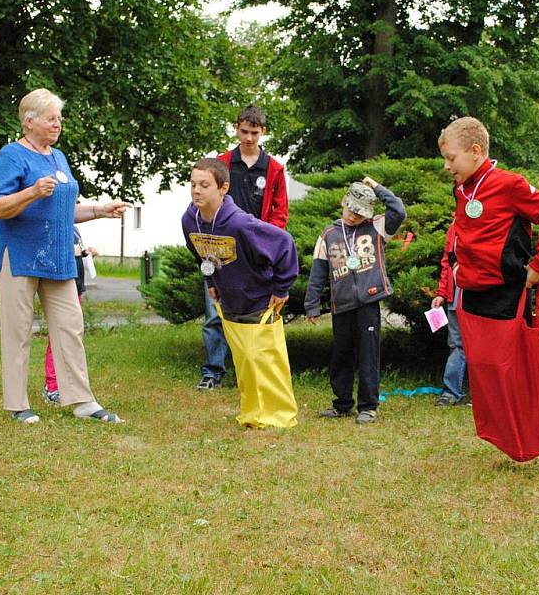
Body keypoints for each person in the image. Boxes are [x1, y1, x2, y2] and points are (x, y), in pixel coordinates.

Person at [0, 88, 129, 424]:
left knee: (70, 326)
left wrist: (99, 210)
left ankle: (82, 401)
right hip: (20, 255)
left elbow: (64, 208)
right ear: (30, 121)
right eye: (52, 118)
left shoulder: (58, 157)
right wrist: (32, 191)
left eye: (59, 118)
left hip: (58, 256)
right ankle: (17, 404)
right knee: (19, 330)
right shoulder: (11, 156)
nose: (58, 124)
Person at [438, 116, 539, 460]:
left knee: (513, 369)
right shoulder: (463, 190)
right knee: (485, 371)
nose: (447, 166)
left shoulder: (510, 185)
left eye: (451, 158)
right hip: (472, 294)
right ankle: (504, 438)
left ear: (476, 151)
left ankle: (530, 439)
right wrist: (458, 266)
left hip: (508, 293)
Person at [181, 158, 299, 428]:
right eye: (193, 184)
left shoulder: (240, 224)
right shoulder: (190, 220)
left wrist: (282, 288)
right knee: (245, 362)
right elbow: (200, 252)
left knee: (266, 360)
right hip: (229, 300)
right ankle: (254, 412)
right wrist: (211, 282)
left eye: (204, 185)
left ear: (223, 188)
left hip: (258, 298)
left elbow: (284, 243)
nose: (196, 190)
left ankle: (278, 416)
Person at [193, 105, 289, 390]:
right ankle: (213, 371)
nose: (249, 138)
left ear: (263, 132)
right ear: (236, 128)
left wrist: (265, 244)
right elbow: (204, 205)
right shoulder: (220, 163)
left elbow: (279, 213)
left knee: (255, 313)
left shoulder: (273, 168)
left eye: (254, 132)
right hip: (220, 249)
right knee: (215, 312)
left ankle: (251, 369)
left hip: (255, 254)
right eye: (244, 131)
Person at [304, 177, 406, 424]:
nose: (354, 217)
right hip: (342, 305)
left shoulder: (377, 227)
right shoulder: (328, 234)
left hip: (368, 303)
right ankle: (342, 404)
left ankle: (368, 406)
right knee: (341, 355)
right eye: (352, 210)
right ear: (344, 201)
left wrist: (377, 187)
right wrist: (312, 304)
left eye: (360, 214)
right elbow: (318, 272)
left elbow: (399, 211)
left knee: (368, 355)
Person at [42, 226, 97, 404]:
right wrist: (69, 251)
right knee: (57, 337)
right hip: (61, 287)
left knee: (73, 335)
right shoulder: (54, 227)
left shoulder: (74, 229)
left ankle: (70, 386)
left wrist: (87, 253)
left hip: (76, 287)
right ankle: (52, 387)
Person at [430, 220, 470, 406]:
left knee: (486, 348)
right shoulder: (455, 225)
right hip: (456, 297)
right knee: (456, 344)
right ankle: (451, 392)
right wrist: (441, 293)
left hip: (484, 299)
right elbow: (447, 261)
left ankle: (487, 394)